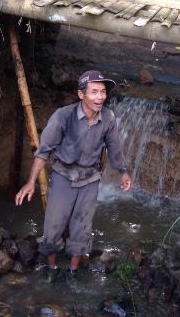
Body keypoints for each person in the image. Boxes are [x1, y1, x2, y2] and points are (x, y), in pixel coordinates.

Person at [15, 70, 132, 281]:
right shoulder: (63, 116)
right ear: (81, 95)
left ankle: (72, 271)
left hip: (89, 179)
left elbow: (114, 148)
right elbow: (44, 150)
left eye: (103, 92)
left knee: (82, 228)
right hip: (63, 175)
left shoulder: (108, 118)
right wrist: (31, 182)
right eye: (94, 92)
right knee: (54, 225)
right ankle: (50, 270)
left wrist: (123, 171)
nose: (100, 97)